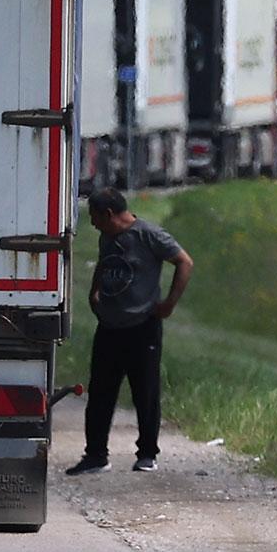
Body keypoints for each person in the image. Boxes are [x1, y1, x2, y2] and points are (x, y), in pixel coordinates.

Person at [65, 188, 194, 475]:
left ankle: (147, 453)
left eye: (96, 218)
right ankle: (95, 455)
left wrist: (169, 303)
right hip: (110, 327)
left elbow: (184, 262)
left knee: (145, 392)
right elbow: (103, 264)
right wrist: (94, 292)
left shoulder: (149, 235)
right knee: (100, 393)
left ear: (109, 214)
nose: (94, 224)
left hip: (142, 327)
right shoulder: (107, 237)